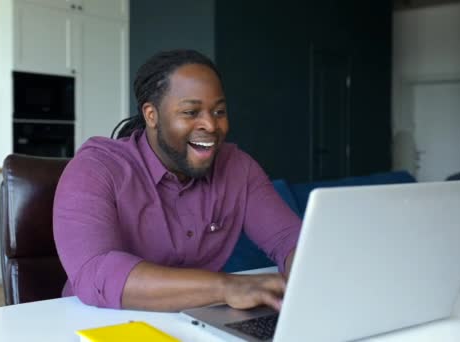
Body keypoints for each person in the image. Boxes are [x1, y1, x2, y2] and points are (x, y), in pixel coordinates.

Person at [53, 49, 301, 312]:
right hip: (100, 324)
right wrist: (225, 286)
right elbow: (97, 275)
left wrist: (303, 275)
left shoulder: (239, 168)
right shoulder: (96, 169)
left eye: (219, 111)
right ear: (152, 115)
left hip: (198, 321)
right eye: (191, 112)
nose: (211, 125)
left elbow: (290, 239)